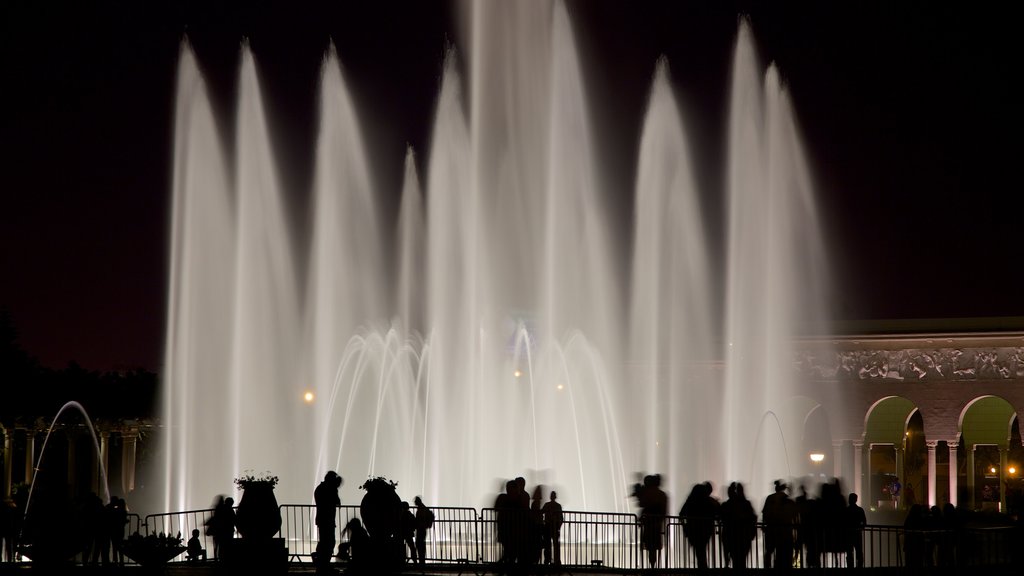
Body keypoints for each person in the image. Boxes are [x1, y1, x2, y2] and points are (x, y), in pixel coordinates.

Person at [314, 471, 342, 573]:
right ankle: (324, 566)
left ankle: (323, 565)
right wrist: (335, 488)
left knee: (325, 542)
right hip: (327, 519)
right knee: (328, 543)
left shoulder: (320, 488)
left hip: (323, 519)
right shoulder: (329, 489)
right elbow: (337, 502)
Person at [541, 491, 563, 565]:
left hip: (547, 527)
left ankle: (547, 560)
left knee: (547, 545)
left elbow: (541, 513)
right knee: (555, 545)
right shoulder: (558, 506)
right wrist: (558, 527)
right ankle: (557, 561)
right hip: (554, 527)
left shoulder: (547, 505)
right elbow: (561, 518)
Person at [845, 493, 866, 568]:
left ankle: (850, 568)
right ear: (856, 500)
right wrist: (860, 527)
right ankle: (859, 567)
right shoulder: (860, 510)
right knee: (859, 552)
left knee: (849, 552)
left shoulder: (846, 511)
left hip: (849, 534)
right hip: (857, 534)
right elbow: (864, 522)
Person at [414, 496, 433, 565]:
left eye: (415, 501)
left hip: (421, 529)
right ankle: (421, 560)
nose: (414, 502)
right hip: (422, 528)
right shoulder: (423, 507)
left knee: (420, 544)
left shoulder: (421, 508)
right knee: (420, 544)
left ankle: (421, 561)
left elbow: (420, 519)